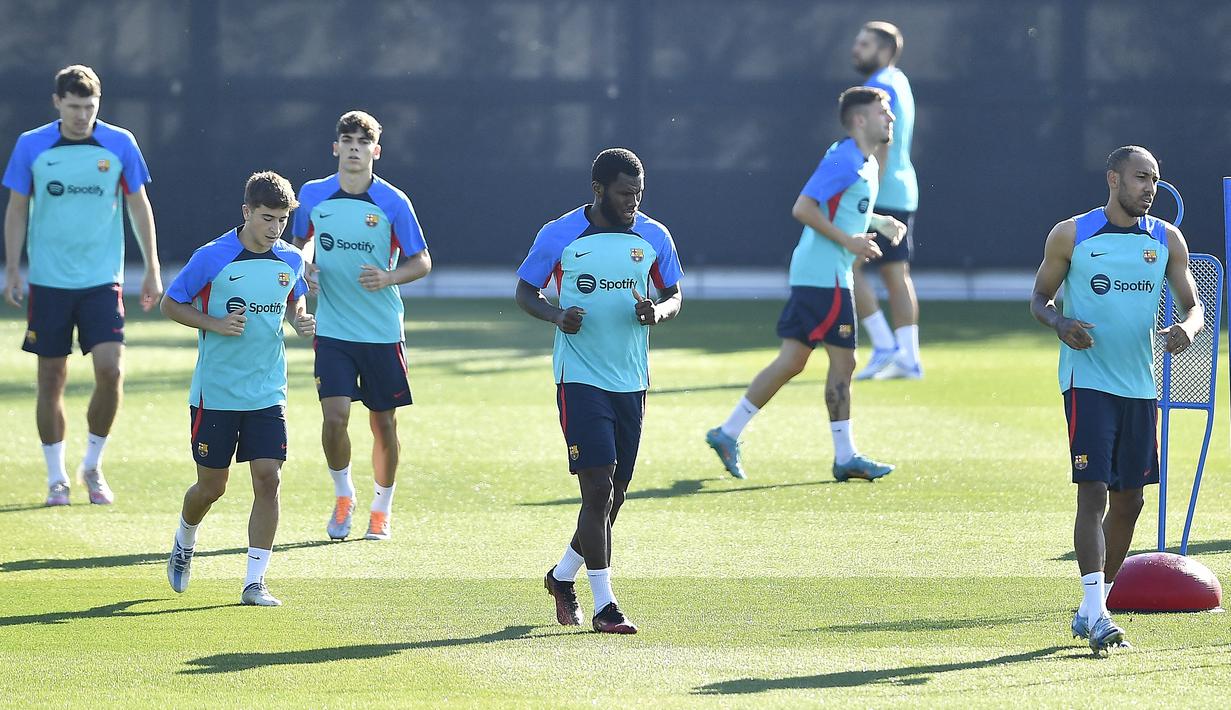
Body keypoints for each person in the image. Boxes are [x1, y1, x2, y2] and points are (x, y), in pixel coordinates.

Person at [1030, 145, 1202, 654]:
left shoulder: (1166, 239)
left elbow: (1192, 305)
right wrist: (1061, 323)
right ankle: (1101, 614)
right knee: (1094, 492)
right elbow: (1039, 298)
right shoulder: (1072, 234)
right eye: (1140, 178)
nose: (1149, 187)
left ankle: (1091, 608)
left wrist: (1188, 331)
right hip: (1088, 382)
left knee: (1132, 501)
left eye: (1154, 179)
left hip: (1140, 386)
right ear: (1113, 179)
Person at [515, 148, 682, 634]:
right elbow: (526, 290)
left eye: (638, 194)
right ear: (598, 190)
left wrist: (658, 312)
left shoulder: (654, 236)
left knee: (616, 495)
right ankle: (606, 606)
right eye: (624, 193)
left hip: (631, 379)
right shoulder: (560, 234)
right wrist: (554, 315)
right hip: (579, 377)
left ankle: (561, 576)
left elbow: (674, 293)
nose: (633, 202)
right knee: (598, 486)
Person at [706, 87, 904, 481]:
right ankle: (845, 456)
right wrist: (849, 241)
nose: (891, 117)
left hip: (820, 274)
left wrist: (878, 222)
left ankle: (726, 433)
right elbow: (803, 207)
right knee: (843, 362)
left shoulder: (863, 162)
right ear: (860, 119)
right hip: (825, 277)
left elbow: (848, 208)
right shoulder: (843, 158)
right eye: (883, 111)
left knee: (793, 360)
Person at [2, 64, 161, 506]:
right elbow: (17, 209)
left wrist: (151, 268)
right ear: (57, 103)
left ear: (99, 105)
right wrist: (13, 268)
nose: (81, 116)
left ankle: (92, 464)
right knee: (51, 377)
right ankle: (56, 477)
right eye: (73, 107)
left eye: (89, 107)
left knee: (111, 371)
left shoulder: (120, 143)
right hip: (49, 283)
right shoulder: (32, 145)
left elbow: (138, 204)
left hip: (101, 282)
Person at [161, 171, 314, 607]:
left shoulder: (290, 259)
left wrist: (299, 318)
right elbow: (174, 302)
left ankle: (254, 582)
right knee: (212, 488)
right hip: (217, 394)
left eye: (282, 220)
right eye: (267, 218)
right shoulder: (212, 257)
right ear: (247, 212)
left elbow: (293, 296)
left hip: (268, 391)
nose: (274, 229)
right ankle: (184, 538)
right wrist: (213, 323)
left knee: (269, 480)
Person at [290, 111, 431, 542]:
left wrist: (389, 277)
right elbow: (293, 248)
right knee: (334, 418)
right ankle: (343, 495)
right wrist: (305, 272)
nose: (354, 148)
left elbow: (421, 261)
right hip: (332, 329)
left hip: (382, 331)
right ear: (335, 147)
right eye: (347, 140)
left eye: (362, 141)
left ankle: (381, 508)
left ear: (376, 151)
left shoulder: (393, 201)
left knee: (383, 424)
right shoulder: (312, 195)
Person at [847, 21, 923, 381]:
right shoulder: (899, 80)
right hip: (905, 189)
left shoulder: (879, 86)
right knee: (896, 273)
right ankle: (908, 357)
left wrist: (867, 191)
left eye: (863, 44)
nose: (856, 50)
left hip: (883, 192)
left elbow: (883, 141)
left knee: (848, 265)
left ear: (883, 49)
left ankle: (885, 347)